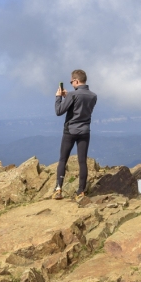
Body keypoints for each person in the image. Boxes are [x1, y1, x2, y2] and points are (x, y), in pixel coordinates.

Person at [53, 69, 97, 201]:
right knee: (82, 161)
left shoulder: (72, 95)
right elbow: (81, 107)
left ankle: (58, 189)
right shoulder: (93, 96)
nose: (71, 83)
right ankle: (80, 191)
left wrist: (59, 97)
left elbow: (59, 111)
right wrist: (70, 96)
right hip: (84, 131)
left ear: (76, 81)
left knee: (63, 160)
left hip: (70, 131)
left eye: (72, 81)